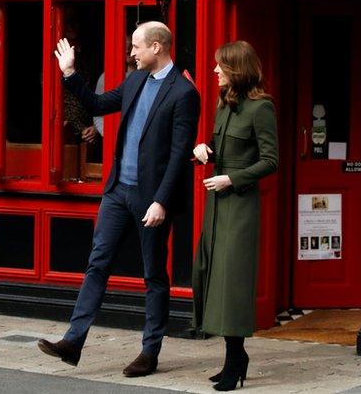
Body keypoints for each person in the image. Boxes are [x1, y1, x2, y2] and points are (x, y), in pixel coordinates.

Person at [38, 21, 200, 378]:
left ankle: (149, 351)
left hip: (151, 198)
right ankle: (73, 341)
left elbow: (178, 154)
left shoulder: (183, 93)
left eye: (136, 47)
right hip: (117, 191)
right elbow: (97, 102)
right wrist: (69, 74)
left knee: (154, 274)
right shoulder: (135, 80)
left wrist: (161, 201)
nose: (132, 53)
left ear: (157, 47)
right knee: (98, 263)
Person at [191, 41, 278, 391]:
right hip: (216, 204)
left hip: (240, 206)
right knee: (212, 275)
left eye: (220, 66)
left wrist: (233, 179)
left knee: (233, 283)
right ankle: (235, 357)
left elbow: (271, 160)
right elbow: (217, 148)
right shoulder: (224, 105)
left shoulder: (261, 109)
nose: (214, 71)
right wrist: (202, 152)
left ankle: (234, 361)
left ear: (236, 69)